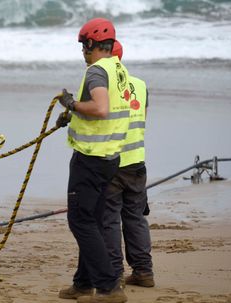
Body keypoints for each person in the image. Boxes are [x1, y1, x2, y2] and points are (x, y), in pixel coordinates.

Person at [56, 18, 131, 303]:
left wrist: (72, 104)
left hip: (91, 159)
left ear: (90, 44)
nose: (82, 52)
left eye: (82, 46)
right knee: (94, 220)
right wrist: (74, 113)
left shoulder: (97, 72)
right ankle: (83, 283)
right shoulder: (118, 69)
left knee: (80, 221)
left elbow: (100, 108)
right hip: (110, 157)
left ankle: (109, 287)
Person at [102, 40, 154, 288]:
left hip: (112, 163)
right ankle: (144, 272)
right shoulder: (141, 86)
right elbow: (142, 118)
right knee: (135, 218)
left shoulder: (103, 87)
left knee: (109, 220)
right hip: (137, 162)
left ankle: (114, 275)